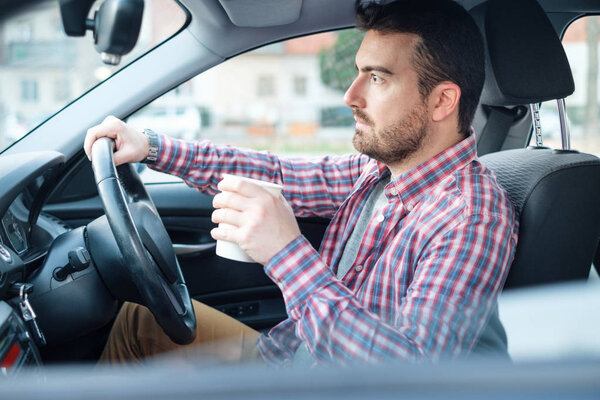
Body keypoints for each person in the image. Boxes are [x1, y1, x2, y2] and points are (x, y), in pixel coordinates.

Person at [84, 0, 518, 367]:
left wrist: (284, 251)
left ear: (442, 100)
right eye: (358, 72)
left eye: (378, 77)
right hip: (292, 358)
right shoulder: (379, 172)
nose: (350, 95)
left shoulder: (470, 217)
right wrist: (152, 147)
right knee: (139, 321)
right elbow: (276, 173)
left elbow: (411, 371)